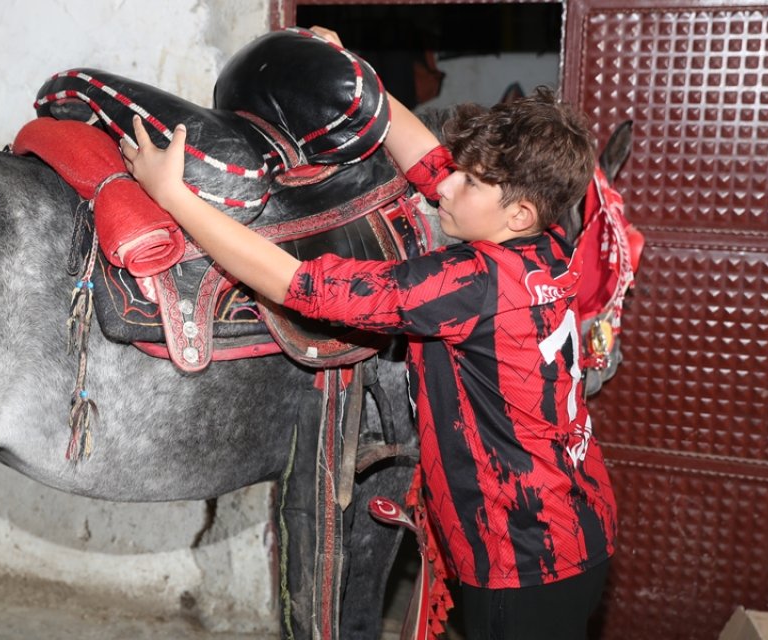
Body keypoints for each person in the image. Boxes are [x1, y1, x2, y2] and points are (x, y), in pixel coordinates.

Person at [120, 26, 616, 640]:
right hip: (580, 526)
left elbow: (298, 284)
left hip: (523, 558)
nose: (445, 185)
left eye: (470, 183)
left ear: (515, 214)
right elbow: (429, 162)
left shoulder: (469, 281)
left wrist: (174, 196)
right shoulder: (549, 245)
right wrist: (349, 72)